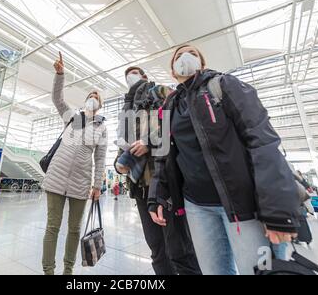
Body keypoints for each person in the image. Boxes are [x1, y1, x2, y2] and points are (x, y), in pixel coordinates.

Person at [148, 45, 301, 275]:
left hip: (243, 206)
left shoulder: (224, 86)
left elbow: (262, 141)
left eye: (192, 53)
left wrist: (277, 212)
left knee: (260, 270)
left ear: (202, 63)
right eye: (178, 56)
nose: (184, 57)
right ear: (172, 72)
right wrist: (156, 195)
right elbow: (163, 156)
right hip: (197, 207)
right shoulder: (170, 106)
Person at [115, 67, 201, 275]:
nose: (131, 76)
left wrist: (149, 142)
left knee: (180, 250)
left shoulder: (160, 91)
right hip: (141, 188)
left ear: (145, 76)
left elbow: (179, 119)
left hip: (165, 182)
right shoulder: (128, 110)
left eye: (135, 72)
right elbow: (122, 145)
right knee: (157, 250)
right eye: (128, 74)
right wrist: (119, 164)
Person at [42, 52, 108, 275]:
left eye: (96, 96)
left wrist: (97, 186)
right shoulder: (71, 116)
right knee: (52, 227)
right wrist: (60, 75)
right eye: (90, 94)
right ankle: (48, 271)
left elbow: (100, 158)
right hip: (56, 177)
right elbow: (57, 99)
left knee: (74, 229)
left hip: (81, 182)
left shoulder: (102, 128)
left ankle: (67, 271)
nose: (93, 97)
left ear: (99, 104)